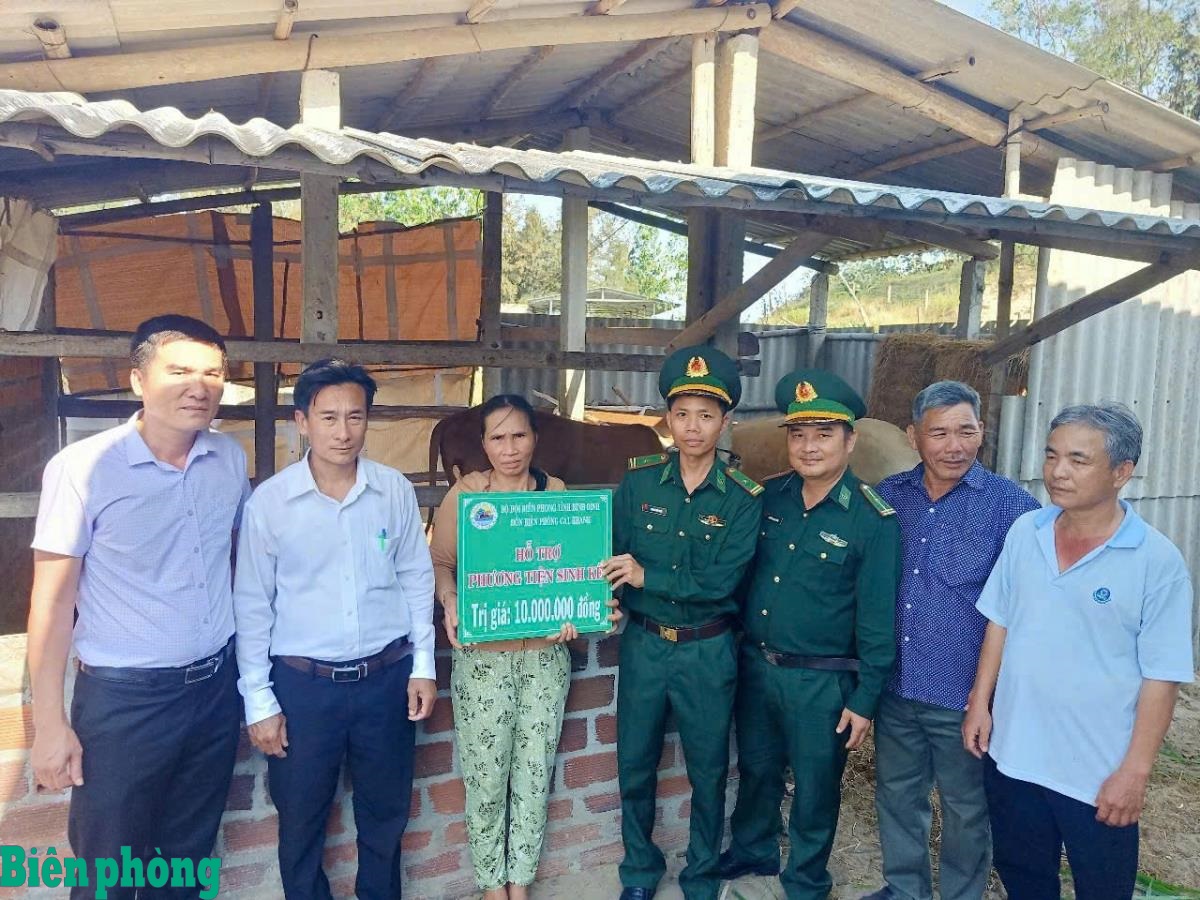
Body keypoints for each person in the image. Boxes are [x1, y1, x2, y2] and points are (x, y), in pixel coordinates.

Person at [28, 314, 249, 899]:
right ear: (137, 380)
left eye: (212, 374)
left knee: (188, 859)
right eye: (179, 371)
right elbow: (52, 601)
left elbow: (239, 561)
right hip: (126, 702)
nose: (199, 387)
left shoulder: (228, 459)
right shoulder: (82, 468)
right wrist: (49, 724)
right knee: (109, 869)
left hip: (213, 691)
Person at [963, 402, 1194, 900]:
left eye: (1078, 459)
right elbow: (1000, 620)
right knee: (1025, 879)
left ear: (1121, 472)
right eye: (1051, 455)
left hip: (1096, 772)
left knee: (1103, 888)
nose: (1057, 471)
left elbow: (1162, 676)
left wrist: (1135, 772)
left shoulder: (1156, 561)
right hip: (1014, 755)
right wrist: (980, 703)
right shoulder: (1027, 532)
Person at [233, 358, 436, 900]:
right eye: (328, 418)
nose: (343, 432)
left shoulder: (393, 490)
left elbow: (416, 579)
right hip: (303, 688)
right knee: (300, 819)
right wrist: (259, 700)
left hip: (385, 681)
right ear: (302, 422)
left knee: (386, 816)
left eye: (355, 416)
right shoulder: (271, 503)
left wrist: (423, 666)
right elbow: (252, 605)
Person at [719, 369, 901, 900]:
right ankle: (753, 848)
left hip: (822, 682)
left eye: (824, 434)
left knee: (817, 787)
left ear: (850, 440)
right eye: (798, 434)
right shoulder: (769, 498)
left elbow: (877, 620)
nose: (809, 446)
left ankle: (805, 879)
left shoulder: (872, 519)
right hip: (759, 666)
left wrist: (865, 700)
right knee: (757, 770)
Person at [430, 393, 620, 900]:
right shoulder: (468, 495)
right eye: (498, 437)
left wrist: (578, 614)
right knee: (487, 779)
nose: (510, 448)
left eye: (519, 436)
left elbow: (572, 571)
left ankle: (520, 883)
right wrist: (449, 599)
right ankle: (492, 887)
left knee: (535, 775)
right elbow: (441, 562)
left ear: (535, 439)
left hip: (544, 659)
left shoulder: (555, 494)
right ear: (484, 443)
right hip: (483, 662)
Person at [863, 381, 1039, 900]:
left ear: (982, 431)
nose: (954, 446)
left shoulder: (1012, 507)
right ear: (913, 436)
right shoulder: (889, 497)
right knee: (897, 794)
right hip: (897, 686)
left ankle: (964, 893)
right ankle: (905, 889)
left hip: (964, 695)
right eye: (939, 433)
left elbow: (1028, 606)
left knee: (966, 807)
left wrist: (990, 697)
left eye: (966, 431)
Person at [602, 346, 763, 900]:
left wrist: (646, 577)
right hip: (645, 645)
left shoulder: (743, 499)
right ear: (667, 418)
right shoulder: (641, 482)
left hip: (707, 651)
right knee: (634, 764)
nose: (693, 427)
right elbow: (612, 553)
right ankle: (639, 871)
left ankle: (700, 875)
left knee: (709, 771)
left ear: (725, 421)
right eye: (682, 414)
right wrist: (603, 598)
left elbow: (723, 583)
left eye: (706, 415)